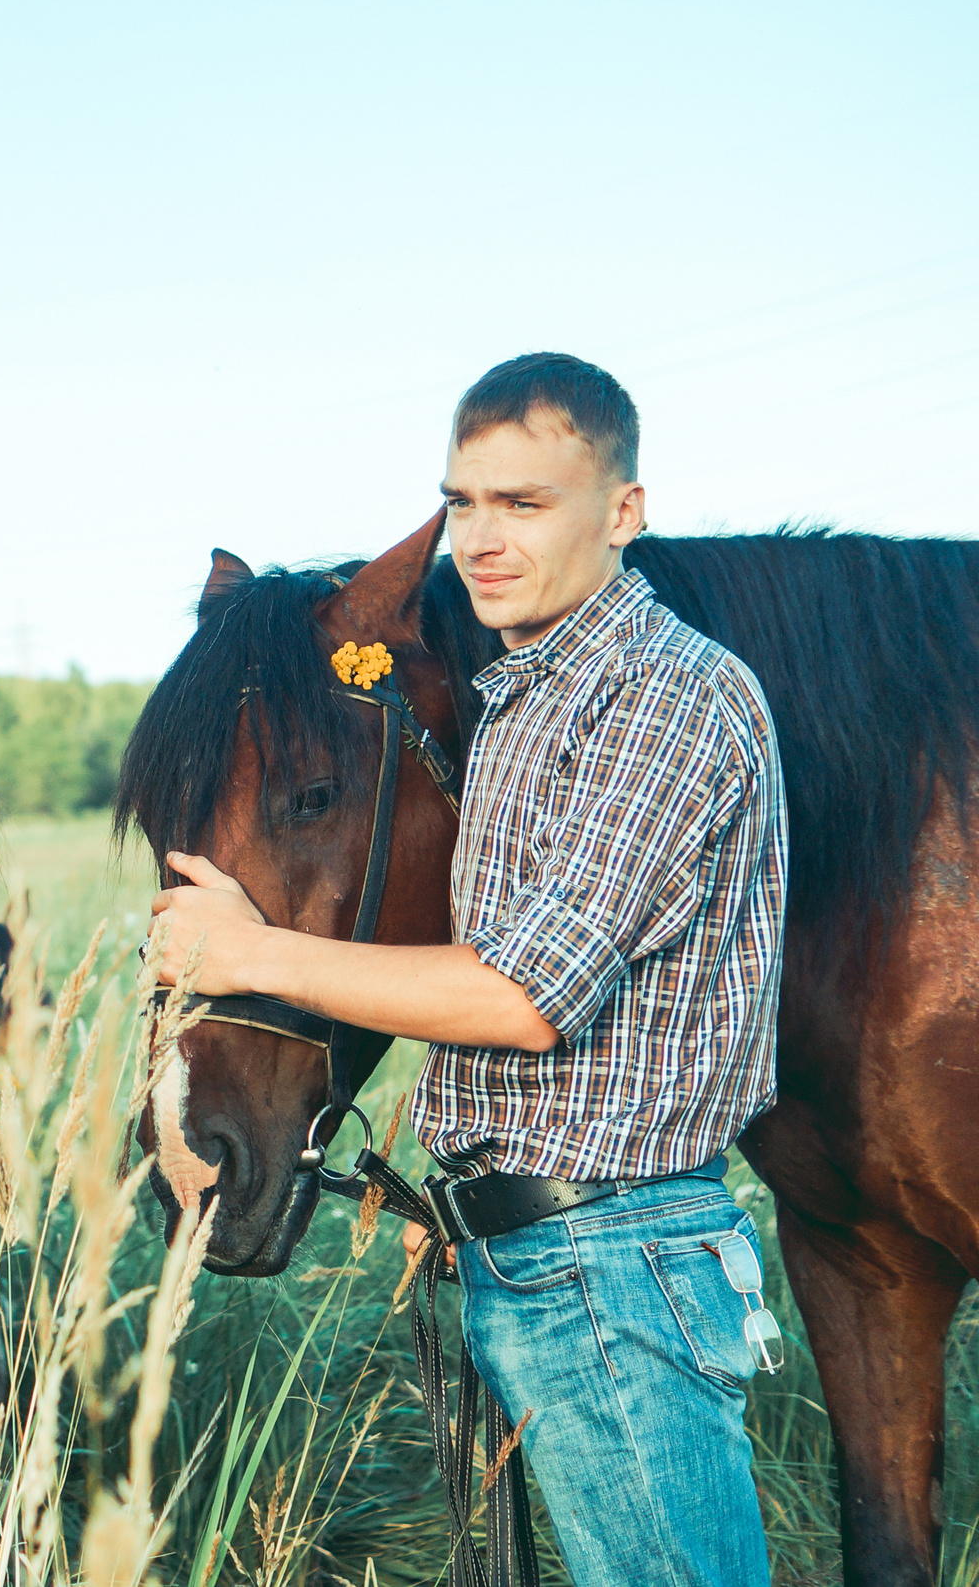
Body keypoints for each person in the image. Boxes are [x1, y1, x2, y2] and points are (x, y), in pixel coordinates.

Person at [142, 353, 787, 1587]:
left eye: (527, 504)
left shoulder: (663, 698)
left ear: (623, 513)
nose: (483, 540)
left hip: (615, 1259)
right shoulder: (524, 701)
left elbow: (521, 998)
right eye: (466, 503)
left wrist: (249, 950)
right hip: (542, 1257)